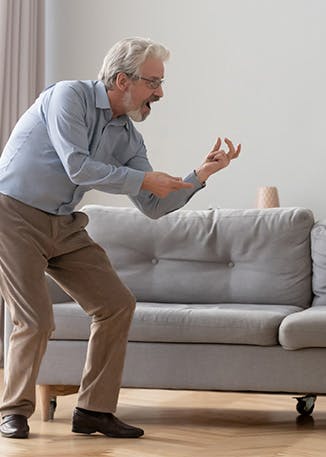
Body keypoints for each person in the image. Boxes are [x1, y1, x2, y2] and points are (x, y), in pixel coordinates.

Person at [0, 36, 241, 439]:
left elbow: (153, 205)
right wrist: (145, 178)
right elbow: (77, 166)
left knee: (115, 304)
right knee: (36, 319)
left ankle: (93, 411)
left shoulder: (128, 137)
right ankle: (13, 410)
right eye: (153, 83)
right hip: (14, 215)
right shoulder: (68, 97)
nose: (160, 93)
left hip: (64, 222)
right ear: (121, 80)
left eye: (160, 84)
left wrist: (199, 175)